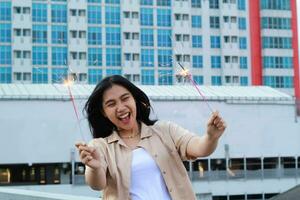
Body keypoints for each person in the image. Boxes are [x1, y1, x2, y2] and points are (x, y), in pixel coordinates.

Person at [76, 75, 226, 200]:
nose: (121, 108)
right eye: (111, 104)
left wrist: (211, 137)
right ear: (103, 112)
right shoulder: (100, 146)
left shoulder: (165, 130)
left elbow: (200, 148)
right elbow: (97, 184)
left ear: (134, 99)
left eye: (125, 98)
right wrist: (93, 167)